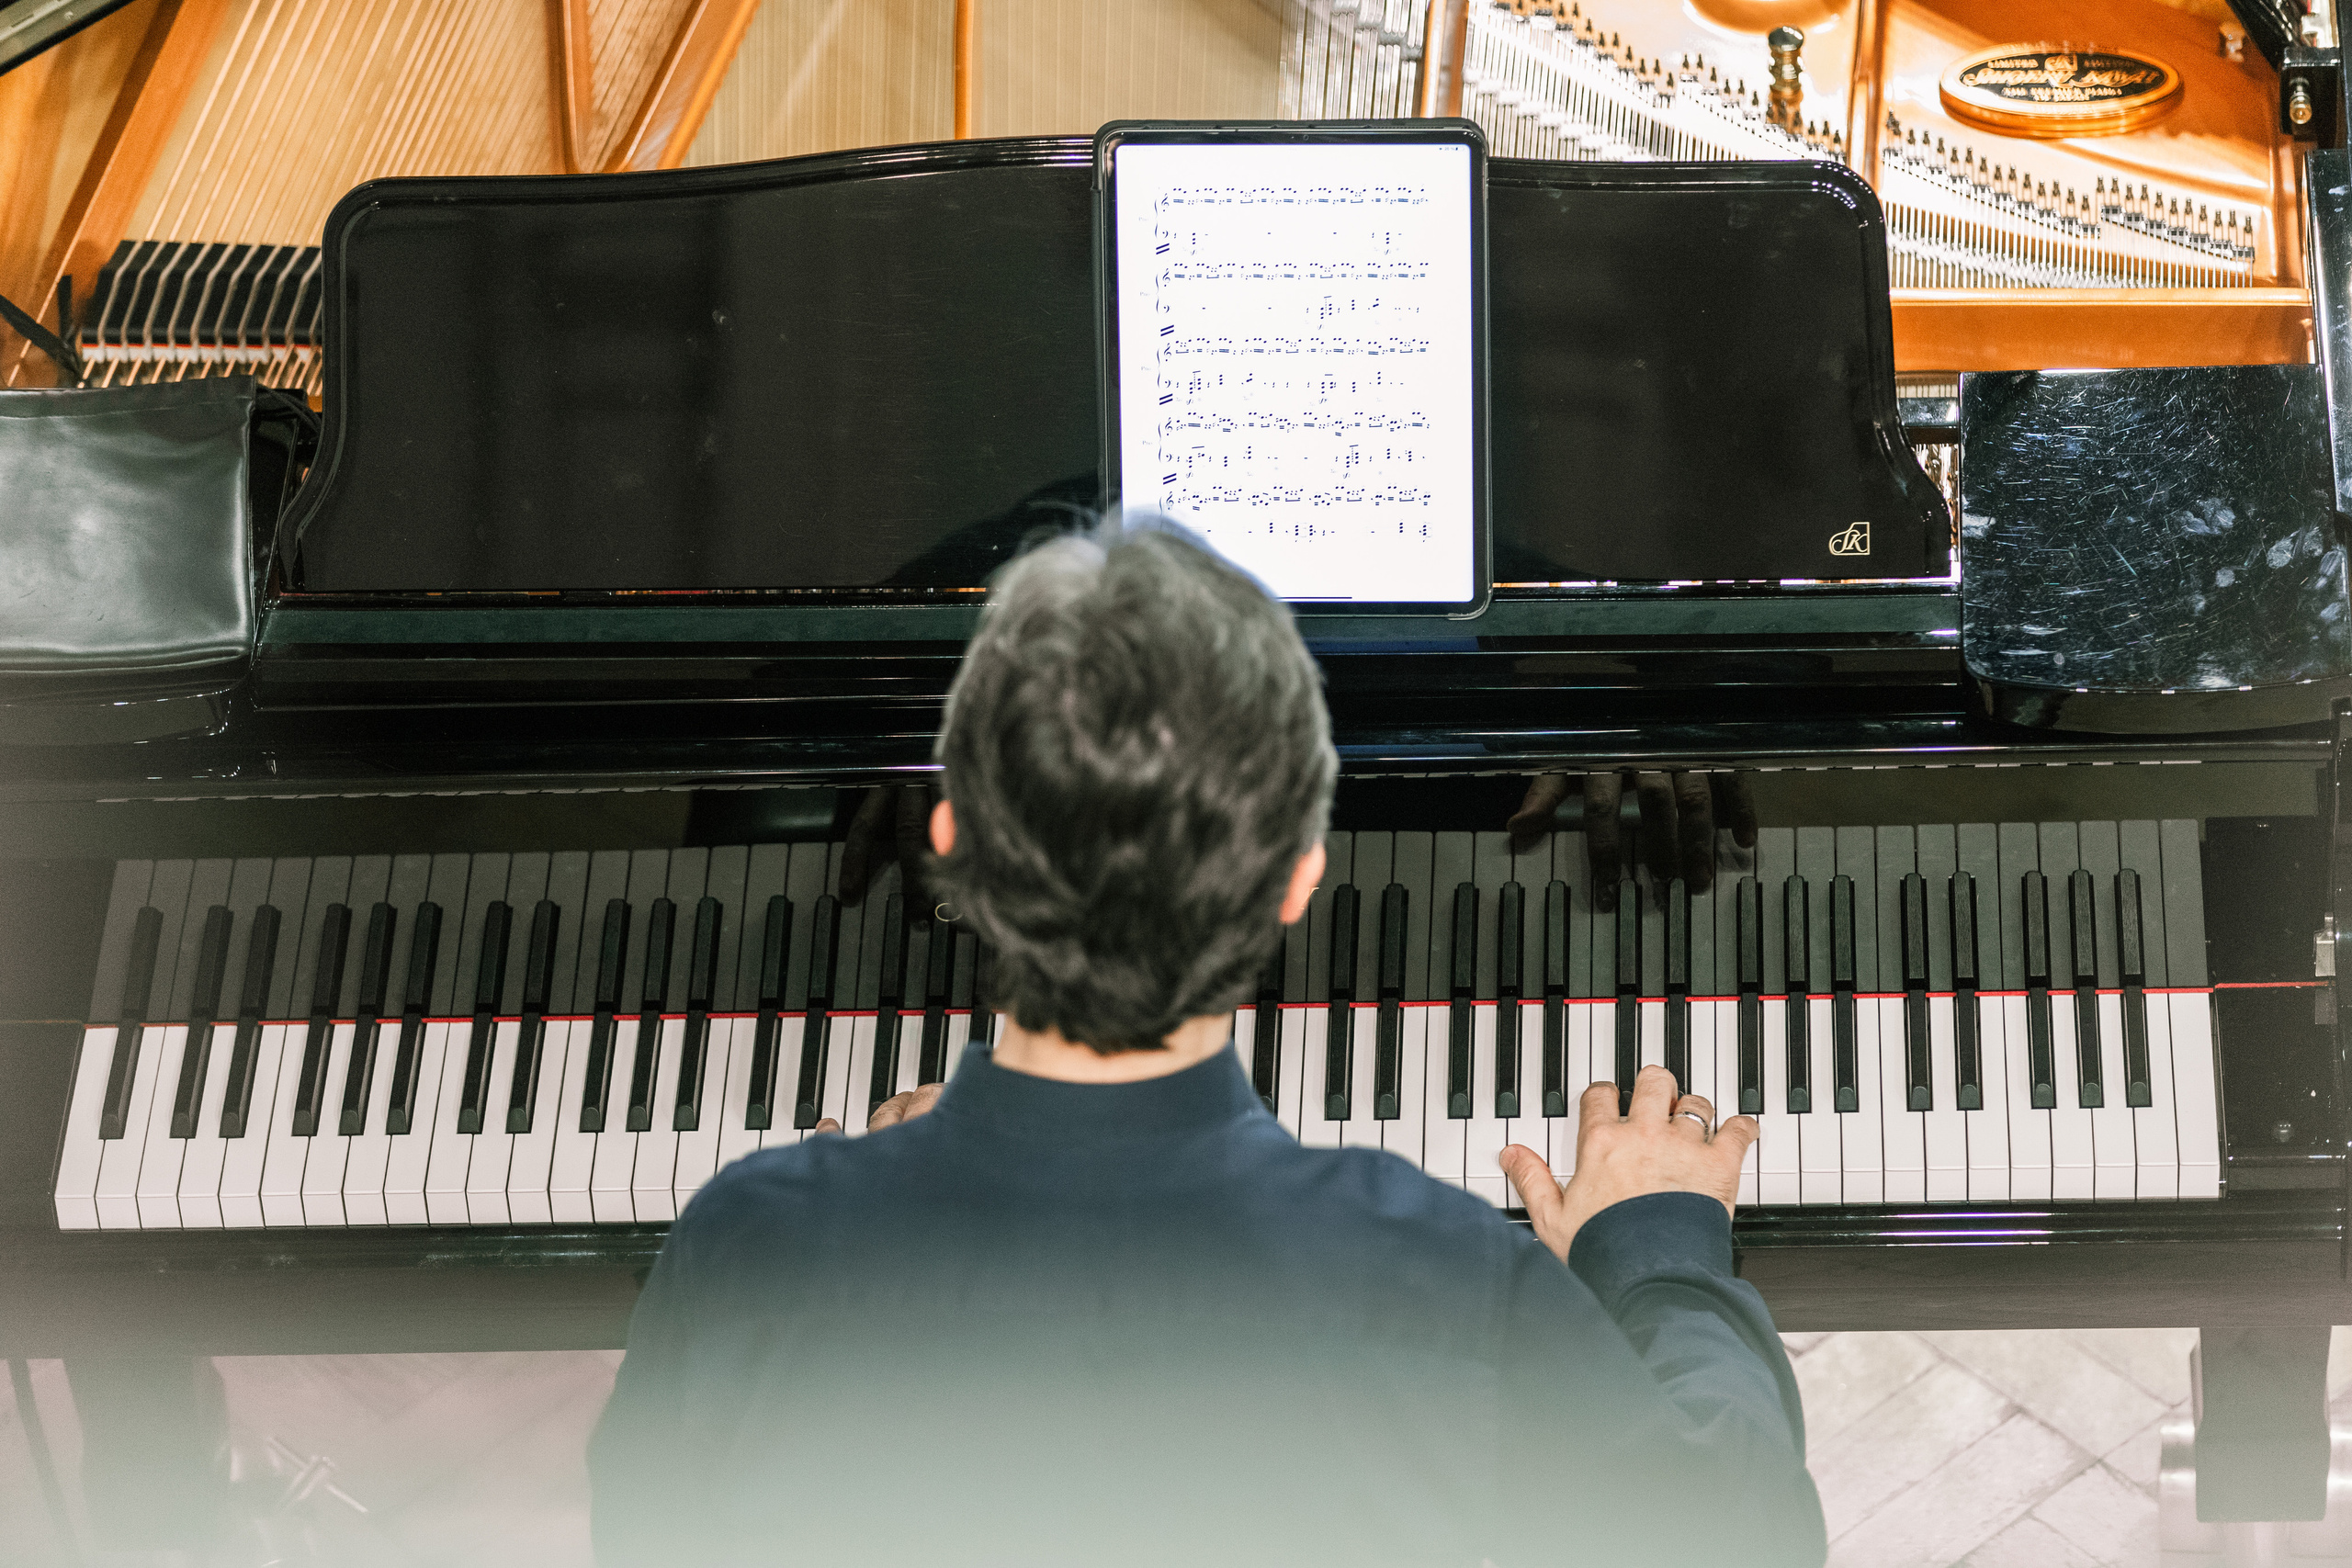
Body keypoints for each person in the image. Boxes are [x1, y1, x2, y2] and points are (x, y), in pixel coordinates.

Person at [590, 516, 1826, 1567]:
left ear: (953, 844)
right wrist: (1658, 1247)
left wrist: (856, 1220)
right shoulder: (1453, 1288)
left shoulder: (745, 1248)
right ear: (1298, 881)